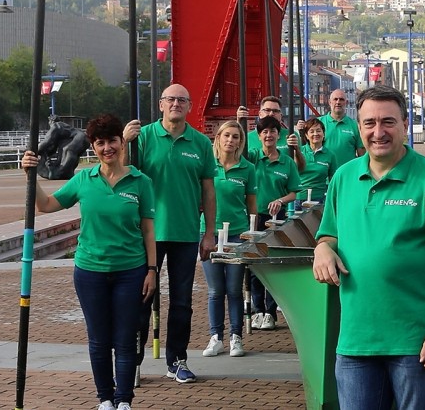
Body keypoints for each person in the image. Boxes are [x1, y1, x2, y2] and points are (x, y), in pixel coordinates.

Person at [313, 85, 425, 410]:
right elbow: (328, 235)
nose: (378, 132)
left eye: (388, 122)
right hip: (356, 340)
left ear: (404, 124)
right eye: (369, 123)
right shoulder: (343, 178)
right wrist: (323, 250)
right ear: (359, 128)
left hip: (416, 342)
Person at [22, 114, 156, 410]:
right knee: (98, 339)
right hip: (90, 271)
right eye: (100, 143)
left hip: (131, 271)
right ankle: (105, 399)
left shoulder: (140, 182)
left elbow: (148, 229)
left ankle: (124, 401)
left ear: (122, 143)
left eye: (112, 141)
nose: (107, 147)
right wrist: (31, 175)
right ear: (93, 148)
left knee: (124, 338)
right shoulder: (83, 179)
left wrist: (151, 269)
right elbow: (46, 206)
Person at [123, 84, 217, 384]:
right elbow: (123, 175)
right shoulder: (143, 137)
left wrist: (209, 232)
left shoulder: (200, 143)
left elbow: (208, 190)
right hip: (148, 233)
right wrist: (126, 143)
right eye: (170, 99)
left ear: (189, 106)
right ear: (161, 104)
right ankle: (132, 362)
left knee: (182, 302)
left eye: (182, 100)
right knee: (140, 298)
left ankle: (177, 360)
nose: (176, 104)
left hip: (185, 233)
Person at [200, 120, 255, 359]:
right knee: (215, 290)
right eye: (227, 136)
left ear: (240, 142)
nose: (231, 141)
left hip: (237, 234)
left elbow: (252, 204)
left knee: (234, 289)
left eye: (236, 137)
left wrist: (252, 234)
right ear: (218, 138)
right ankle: (216, 337)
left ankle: (236, 336)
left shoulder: (247, 168)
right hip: (209, 234)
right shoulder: (207, 165)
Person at [247, 114, 302, 329]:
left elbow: (294, 192)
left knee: (272, 263)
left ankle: (270, 311)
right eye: (265, 132)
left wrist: (280, 200)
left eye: (273, 131)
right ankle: (257, 309)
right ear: (259, 135)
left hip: (276, 219)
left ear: (278, 135)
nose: (269, 135)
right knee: (253, 264)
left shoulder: (286, 161)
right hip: (253, 217)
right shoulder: (252, 157)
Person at [298, 116, 338, 203]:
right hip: (298, 199)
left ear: (323, 134)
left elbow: (333, 181)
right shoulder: (299, 152)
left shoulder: (330, 155)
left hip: (320, 200)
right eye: (311, 131)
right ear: (306, 135)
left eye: (318, 131)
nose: (315, 134)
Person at [322, 88, 364, 165]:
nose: (338, 102)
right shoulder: (319, 123)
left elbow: (362, 155)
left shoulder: (355, 126)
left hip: (347, 174)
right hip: (324, 175)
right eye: (335, 99)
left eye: (341, 99)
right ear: (329, 102)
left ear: (346, 102)